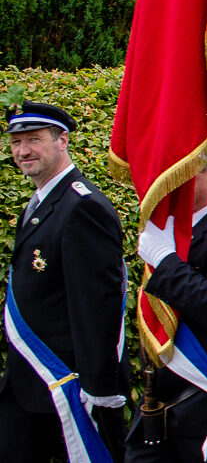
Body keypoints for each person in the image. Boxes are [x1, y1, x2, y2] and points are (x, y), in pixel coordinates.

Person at [2, 102, 127, 462]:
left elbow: (96, 307)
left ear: (62, 141)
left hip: (66, 387)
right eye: (16, 142)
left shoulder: (82, 206)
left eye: (34, 140)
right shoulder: (41, 203)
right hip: (29, 382)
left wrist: (100, 389)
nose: (23, 151)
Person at [130, 157, 207, 463]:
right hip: (157, 393)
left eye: (180, 174)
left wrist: (166, 261)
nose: (167, 182)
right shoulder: (171, 227)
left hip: (201, 396)